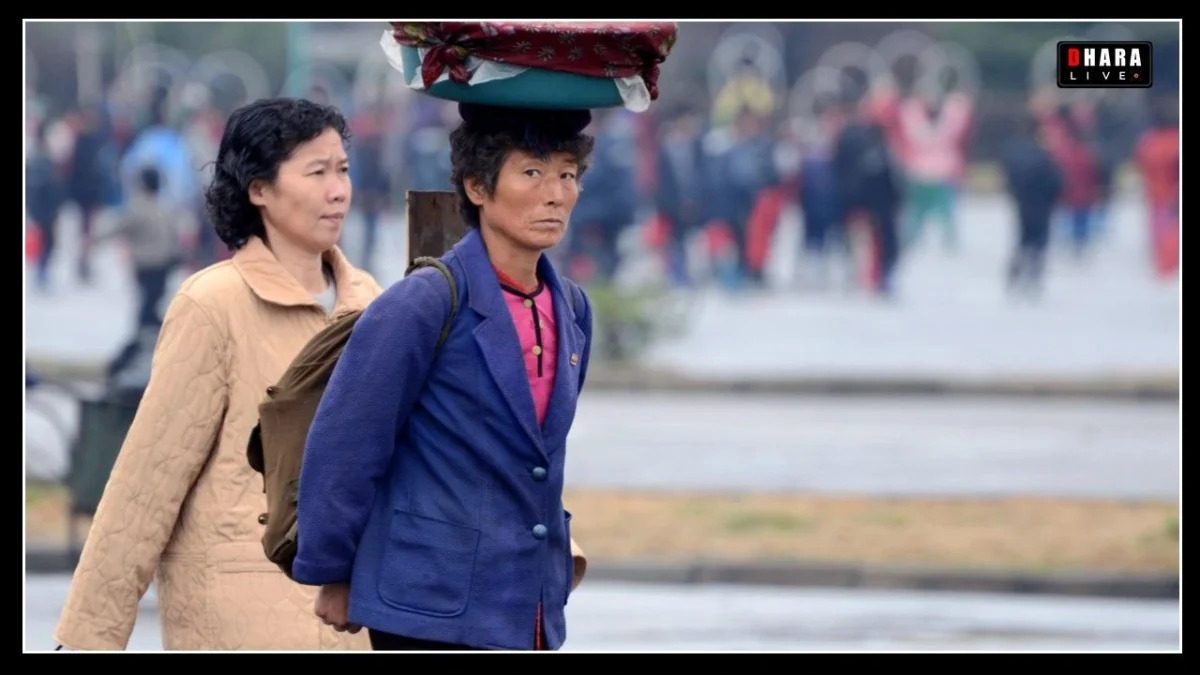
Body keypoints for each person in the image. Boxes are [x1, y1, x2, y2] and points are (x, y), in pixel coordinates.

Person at [53, 97, 380, 651]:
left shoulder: (370, 301)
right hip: (237, 616)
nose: (338, 190)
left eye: (343, 170)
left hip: (350, 622)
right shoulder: (213, 305)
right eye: (317, 171)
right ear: (259, 189)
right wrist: (90, 635)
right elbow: (147, 482)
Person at [291, 102, 595, 651]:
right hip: (428, 604)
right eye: (532, 173)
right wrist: (334, 572)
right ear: (478, 188)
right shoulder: (423, 303)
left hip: (525, 605)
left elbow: (539, 455)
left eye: (567, 174)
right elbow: (348, 443)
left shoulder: (571, 309)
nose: (556, 193)